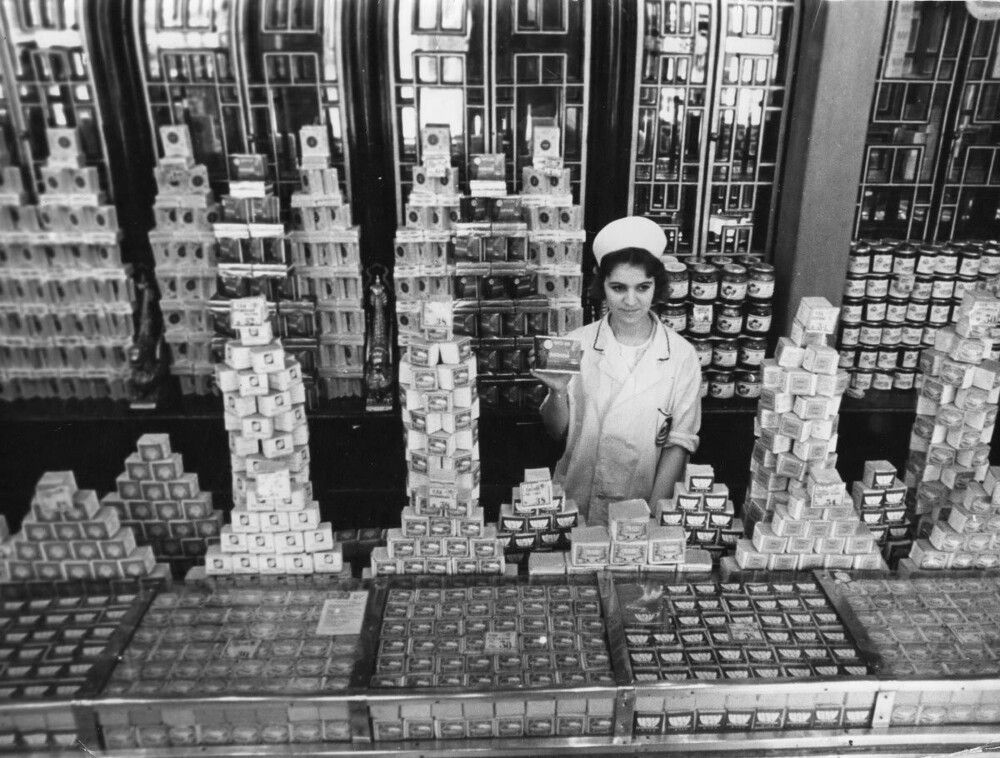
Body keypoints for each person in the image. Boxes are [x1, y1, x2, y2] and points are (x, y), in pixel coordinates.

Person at [533, 216, 702, 526]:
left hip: (642, 503)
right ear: (602, 286)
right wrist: (557, 391)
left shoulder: (681, 356)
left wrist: (651, 517)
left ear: (657, 286)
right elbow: (555, 431)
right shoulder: (577, 343)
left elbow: (679, 444)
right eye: (618, 288)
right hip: (577, 500)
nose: (630, 301)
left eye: (643, 287)